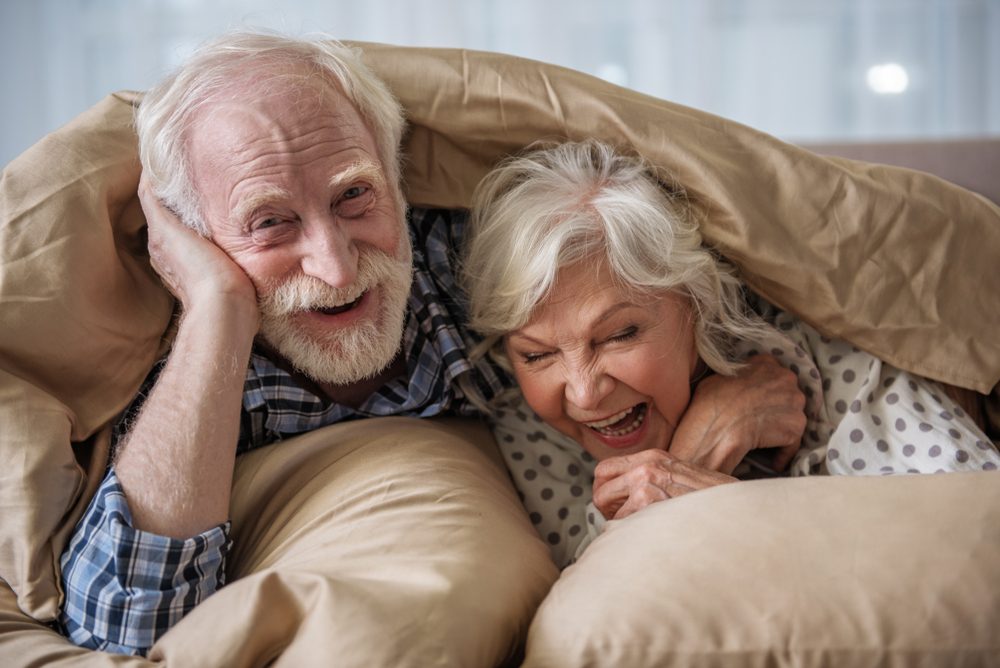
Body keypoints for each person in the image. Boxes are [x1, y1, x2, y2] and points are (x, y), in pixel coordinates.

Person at [57, 33, 806, 655]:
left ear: (396, 175)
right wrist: (218, 309)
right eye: (269, 222)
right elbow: (121, 628)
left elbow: (697, 299)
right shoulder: (174, 348)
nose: (337, 265)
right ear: (193, 237)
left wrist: (720, 403)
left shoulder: (470, 268)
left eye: (354, 195)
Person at [462, 139, 1000, 567]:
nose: (582, 392)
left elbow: (966, 556)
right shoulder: (525, 430)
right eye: (537, 355)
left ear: (696, 302)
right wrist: (700, 453)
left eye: (619, 335)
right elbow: (598, 614)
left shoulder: (839, 361)